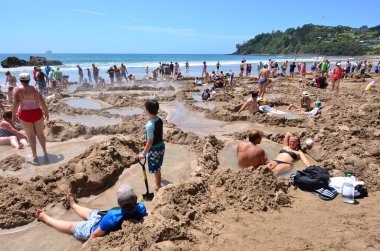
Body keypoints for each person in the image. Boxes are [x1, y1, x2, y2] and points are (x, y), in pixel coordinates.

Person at [35, 184, 147, 246]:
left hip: (93, 228)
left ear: (119, 203)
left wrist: (86, 247)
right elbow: (147, 214)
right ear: (136, 199)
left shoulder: (113, 216)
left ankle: (46, 218)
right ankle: (73, 206)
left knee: (72, 226)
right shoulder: (141, 207)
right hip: (102, 217)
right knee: (92, 213)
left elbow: (94, 235)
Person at [12, 73, 49, 165]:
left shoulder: (17, 90)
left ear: (20, 80)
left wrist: (13, 115)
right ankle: (45, 153)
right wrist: (46, 112)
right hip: (37, 112)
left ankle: (35, 156)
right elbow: (42, 102)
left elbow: (16, 103)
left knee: (30, 136)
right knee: (40, 134)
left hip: (25, 114)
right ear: (29, 80)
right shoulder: (35, 89)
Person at [139, 99, 165, 191]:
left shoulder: (149, 125)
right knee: (158, 164)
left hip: (154, 149)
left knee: (156, 168)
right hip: (161, 146)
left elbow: (150, 141)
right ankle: (159, 177)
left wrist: (143, 153)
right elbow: (160, 133)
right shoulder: (160, 119)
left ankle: (158, 185)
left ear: (147, 110)